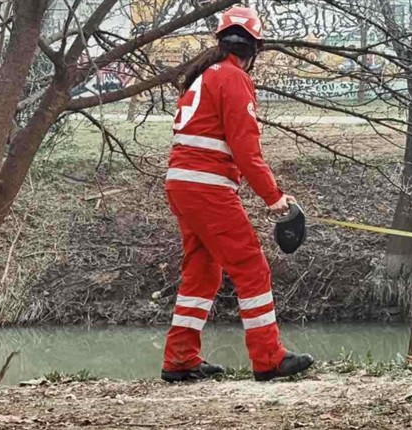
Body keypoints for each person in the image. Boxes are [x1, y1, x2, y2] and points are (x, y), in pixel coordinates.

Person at [160, 6, 313, 383]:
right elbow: (245, 148)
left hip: (182, 184)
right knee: (250, 267)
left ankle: (180, 358)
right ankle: (268, 358)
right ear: (254, 48)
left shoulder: (203, 76)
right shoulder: (233, 78)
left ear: (222, 41)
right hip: (207, 187)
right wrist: (275, 198)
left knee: (201, 271)